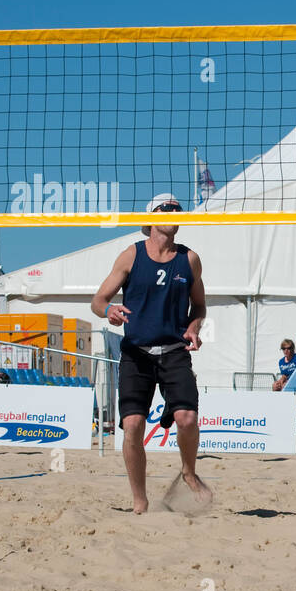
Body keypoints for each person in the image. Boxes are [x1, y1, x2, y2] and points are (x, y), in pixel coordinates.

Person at [91, 193, 211, 514]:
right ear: (151, 218)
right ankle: (140, 501)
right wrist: (109, 311)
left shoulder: (190, 260)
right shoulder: (131, 256)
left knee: (187, 419)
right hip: (136, 354)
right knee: (132, 425)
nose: (174, 211)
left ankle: (188, 472)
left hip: (174, 351)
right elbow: (98, 300)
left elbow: (199, 305)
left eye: (177, 208)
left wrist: (194, 327)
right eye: (166, 208)